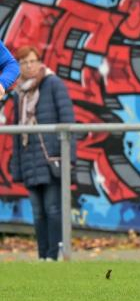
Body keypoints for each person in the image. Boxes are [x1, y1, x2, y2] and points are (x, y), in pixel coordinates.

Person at [9, 45, 76, 261]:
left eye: (32, 61)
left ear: (39, 62)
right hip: (30, 161)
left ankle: (54, 255)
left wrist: (69, 159)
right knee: (37, 212)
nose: (28, 66)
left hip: (51, 159)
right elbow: (18, 135)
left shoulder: (53, 83)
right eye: (23, 62)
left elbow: (68, 121)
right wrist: (17, 166)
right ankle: (42, 256)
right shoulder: (19, 93)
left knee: (53, 208)